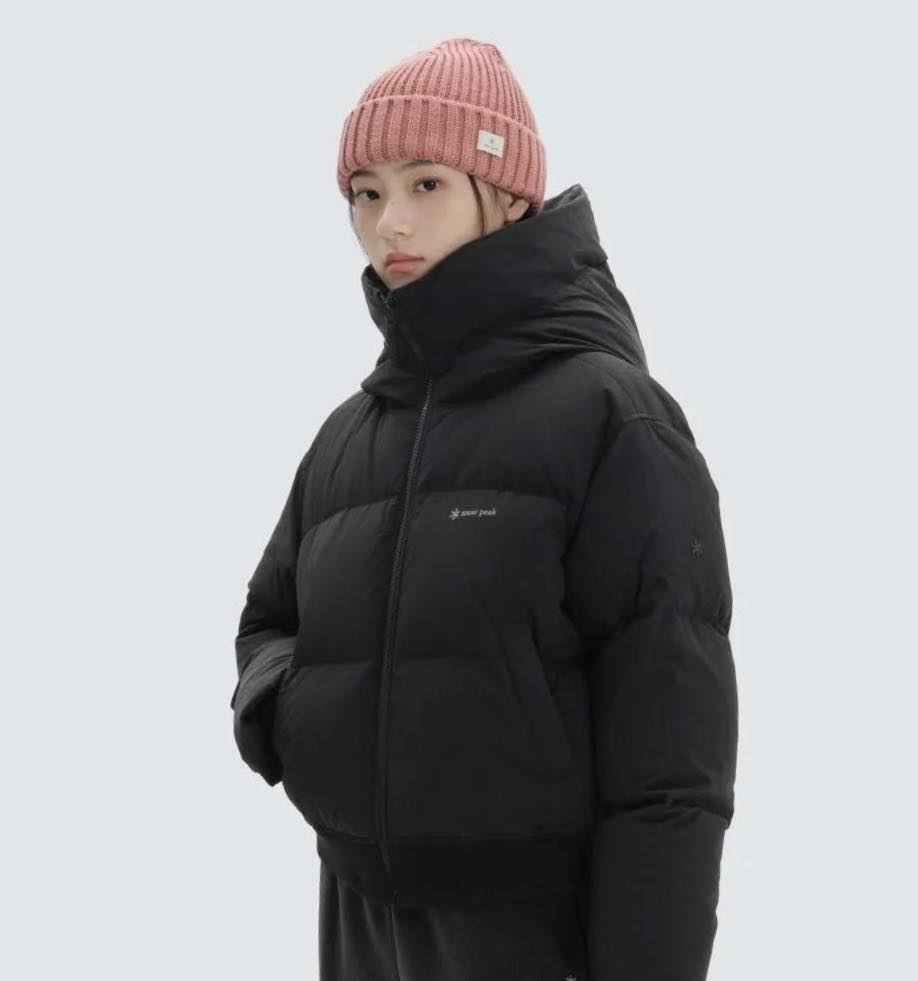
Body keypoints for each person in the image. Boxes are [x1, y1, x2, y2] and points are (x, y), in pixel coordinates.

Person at [230, 36, 738, 981]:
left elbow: (671, 762)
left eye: (426, 184)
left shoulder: (610, 419)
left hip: (534, 931)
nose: (389, 223)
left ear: (504, 196)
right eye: (366, 193)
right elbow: (268, 621)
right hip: (357, 920)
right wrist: (296, 719)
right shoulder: (351, 436)